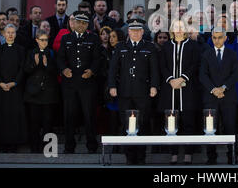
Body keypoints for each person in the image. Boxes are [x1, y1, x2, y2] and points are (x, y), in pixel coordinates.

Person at [108, 18, 159, 165]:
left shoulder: (149, 47)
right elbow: (113, 69)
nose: (135, 33)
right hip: (125, 92)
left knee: (142, 124)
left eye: (138, 30)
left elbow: (154, 69)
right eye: (132, 30)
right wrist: (112, 86)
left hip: (143, 93)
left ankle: (141, 156)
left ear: (142, 32)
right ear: (128, 31)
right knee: (126, 125)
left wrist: (154, 86)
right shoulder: (120, 47)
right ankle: (129, 157)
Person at [57, 11, 101, 154]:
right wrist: (63, 69)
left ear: (87, 24)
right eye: (78, 22)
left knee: (89, 115)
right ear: (73, 23)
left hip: (87, 83)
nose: (81, 25)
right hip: (69, 83)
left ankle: (92, 146)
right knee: (69, 115)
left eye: (84, 23)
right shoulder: (66, 38)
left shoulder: (93, 38)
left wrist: (92, 71)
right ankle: (69, 146)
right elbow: (60, 58)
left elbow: (97, 58)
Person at [159, 19, 200, 164]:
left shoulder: (193, 46)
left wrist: (182, 78)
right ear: (172, 29)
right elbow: (162, 65)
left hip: (187, 88)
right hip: (170, 89)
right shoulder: (166, 46)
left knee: (188, 121)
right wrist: (171, 80)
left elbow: (195, 64)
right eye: (176, 27)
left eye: (181, 27)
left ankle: (188, 153)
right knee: (171, 122)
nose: (179, 29)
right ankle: (174, 153)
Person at [199, 27, 238, 165]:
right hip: (210, 97)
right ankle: (211, 158)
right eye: (214, 37)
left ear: (225, 38)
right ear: (211, 38)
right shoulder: (206, 54)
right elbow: (202, 75)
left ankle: (233, 157)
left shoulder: (232, 54)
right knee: (211, 129)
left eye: (219, 37)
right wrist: (213, 89)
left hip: (228, 96)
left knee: (230, 128)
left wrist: (223, 88)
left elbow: (236, 74)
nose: (217, 40)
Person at [0, 24, 27, 152]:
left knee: (14, 115)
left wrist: (15, 82)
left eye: (12, 32)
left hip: (15, 88)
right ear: (4, 34)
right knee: (1, 114)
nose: (10, 35)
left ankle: (14, 142)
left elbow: (22, 68)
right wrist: (0, 82)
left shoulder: (21, 50)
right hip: (1, 88)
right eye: (8, 32)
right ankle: (1, 142)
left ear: (15, 34)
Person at [23, 29, 59, 153]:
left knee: (48, 122)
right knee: (34, 122)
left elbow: (56, 71)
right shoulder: (31, 53)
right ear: (37, 40)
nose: (45, 42)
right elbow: (26, 70)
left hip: (48, 93)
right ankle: (34, 148)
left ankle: (47, 148)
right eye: (42, 40)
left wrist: (46, 64)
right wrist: (35, 63)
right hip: (34, 93)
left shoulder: (52, 53)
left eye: (46, 40)